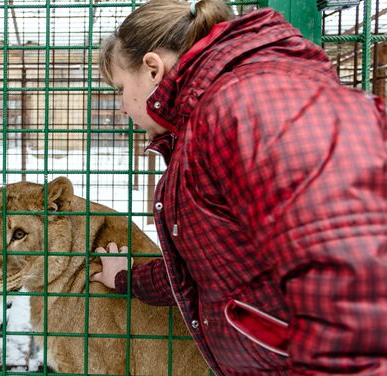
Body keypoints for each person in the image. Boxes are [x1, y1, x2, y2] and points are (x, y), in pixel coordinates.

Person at [89, 0, 387, 374]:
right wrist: (125, 278)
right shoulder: (207, 122)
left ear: (152, 69)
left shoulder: (251, 103)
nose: (122, 107)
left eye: (120, 88)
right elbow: (211, 269)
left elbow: (354, 284)